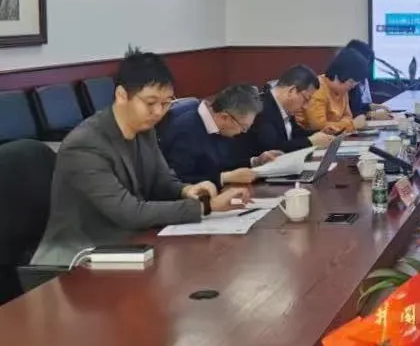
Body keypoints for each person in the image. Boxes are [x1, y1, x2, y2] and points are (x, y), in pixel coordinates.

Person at [32, 49, 249, 266]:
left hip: (131, 244)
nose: (158, 112)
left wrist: (187, 190)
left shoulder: (144, 129)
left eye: (166, 103)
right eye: (150, 103)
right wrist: (206, 206)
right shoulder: (85, 145)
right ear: (121, 95)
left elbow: (161, 181)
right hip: (77, 259)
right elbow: (129, 212)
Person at [160, 83, 276, 188]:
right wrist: (224, 178)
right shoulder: (186, 131)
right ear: (224, 117)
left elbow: (219, 165)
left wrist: (254, 161)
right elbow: (178, 179)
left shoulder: (217, 127)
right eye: (243, 127)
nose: (242, 132)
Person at [247, 65, 334, 154]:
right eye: (306, 100)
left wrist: (319, 134)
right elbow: (272, 148)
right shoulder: (262, 108)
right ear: (292, 91)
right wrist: (310, 141)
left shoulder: (285, 108)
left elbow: (295, 133)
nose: (305, 107)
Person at [298, 48, 370, 134]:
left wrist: (343, 124)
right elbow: (319, 127)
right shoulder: (317, 88)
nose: (353, 86)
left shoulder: (342, 90)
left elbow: (348, 117)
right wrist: (352, 125)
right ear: (338, 75)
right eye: (351, 82)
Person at [342, 39, 392, 120]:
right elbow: (349, 113)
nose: (366, 67)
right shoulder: (343, 81)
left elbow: (357, 106)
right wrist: (371, 114)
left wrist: (375, 107)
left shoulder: (357, 79)